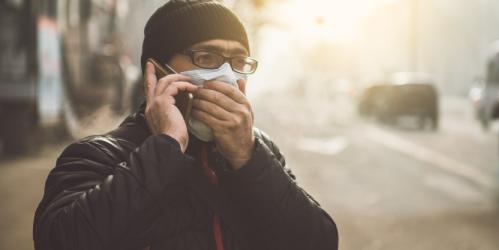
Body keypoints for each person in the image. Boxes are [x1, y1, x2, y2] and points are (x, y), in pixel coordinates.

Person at [33, 1, 338, 249]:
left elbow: (318, 241)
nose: (227, 76)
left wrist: (248, 157)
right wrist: (166, 147)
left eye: (238, 62)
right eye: (206, 57)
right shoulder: (97, 155)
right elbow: (61, 239)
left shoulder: (255, 149)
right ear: (155, 72)